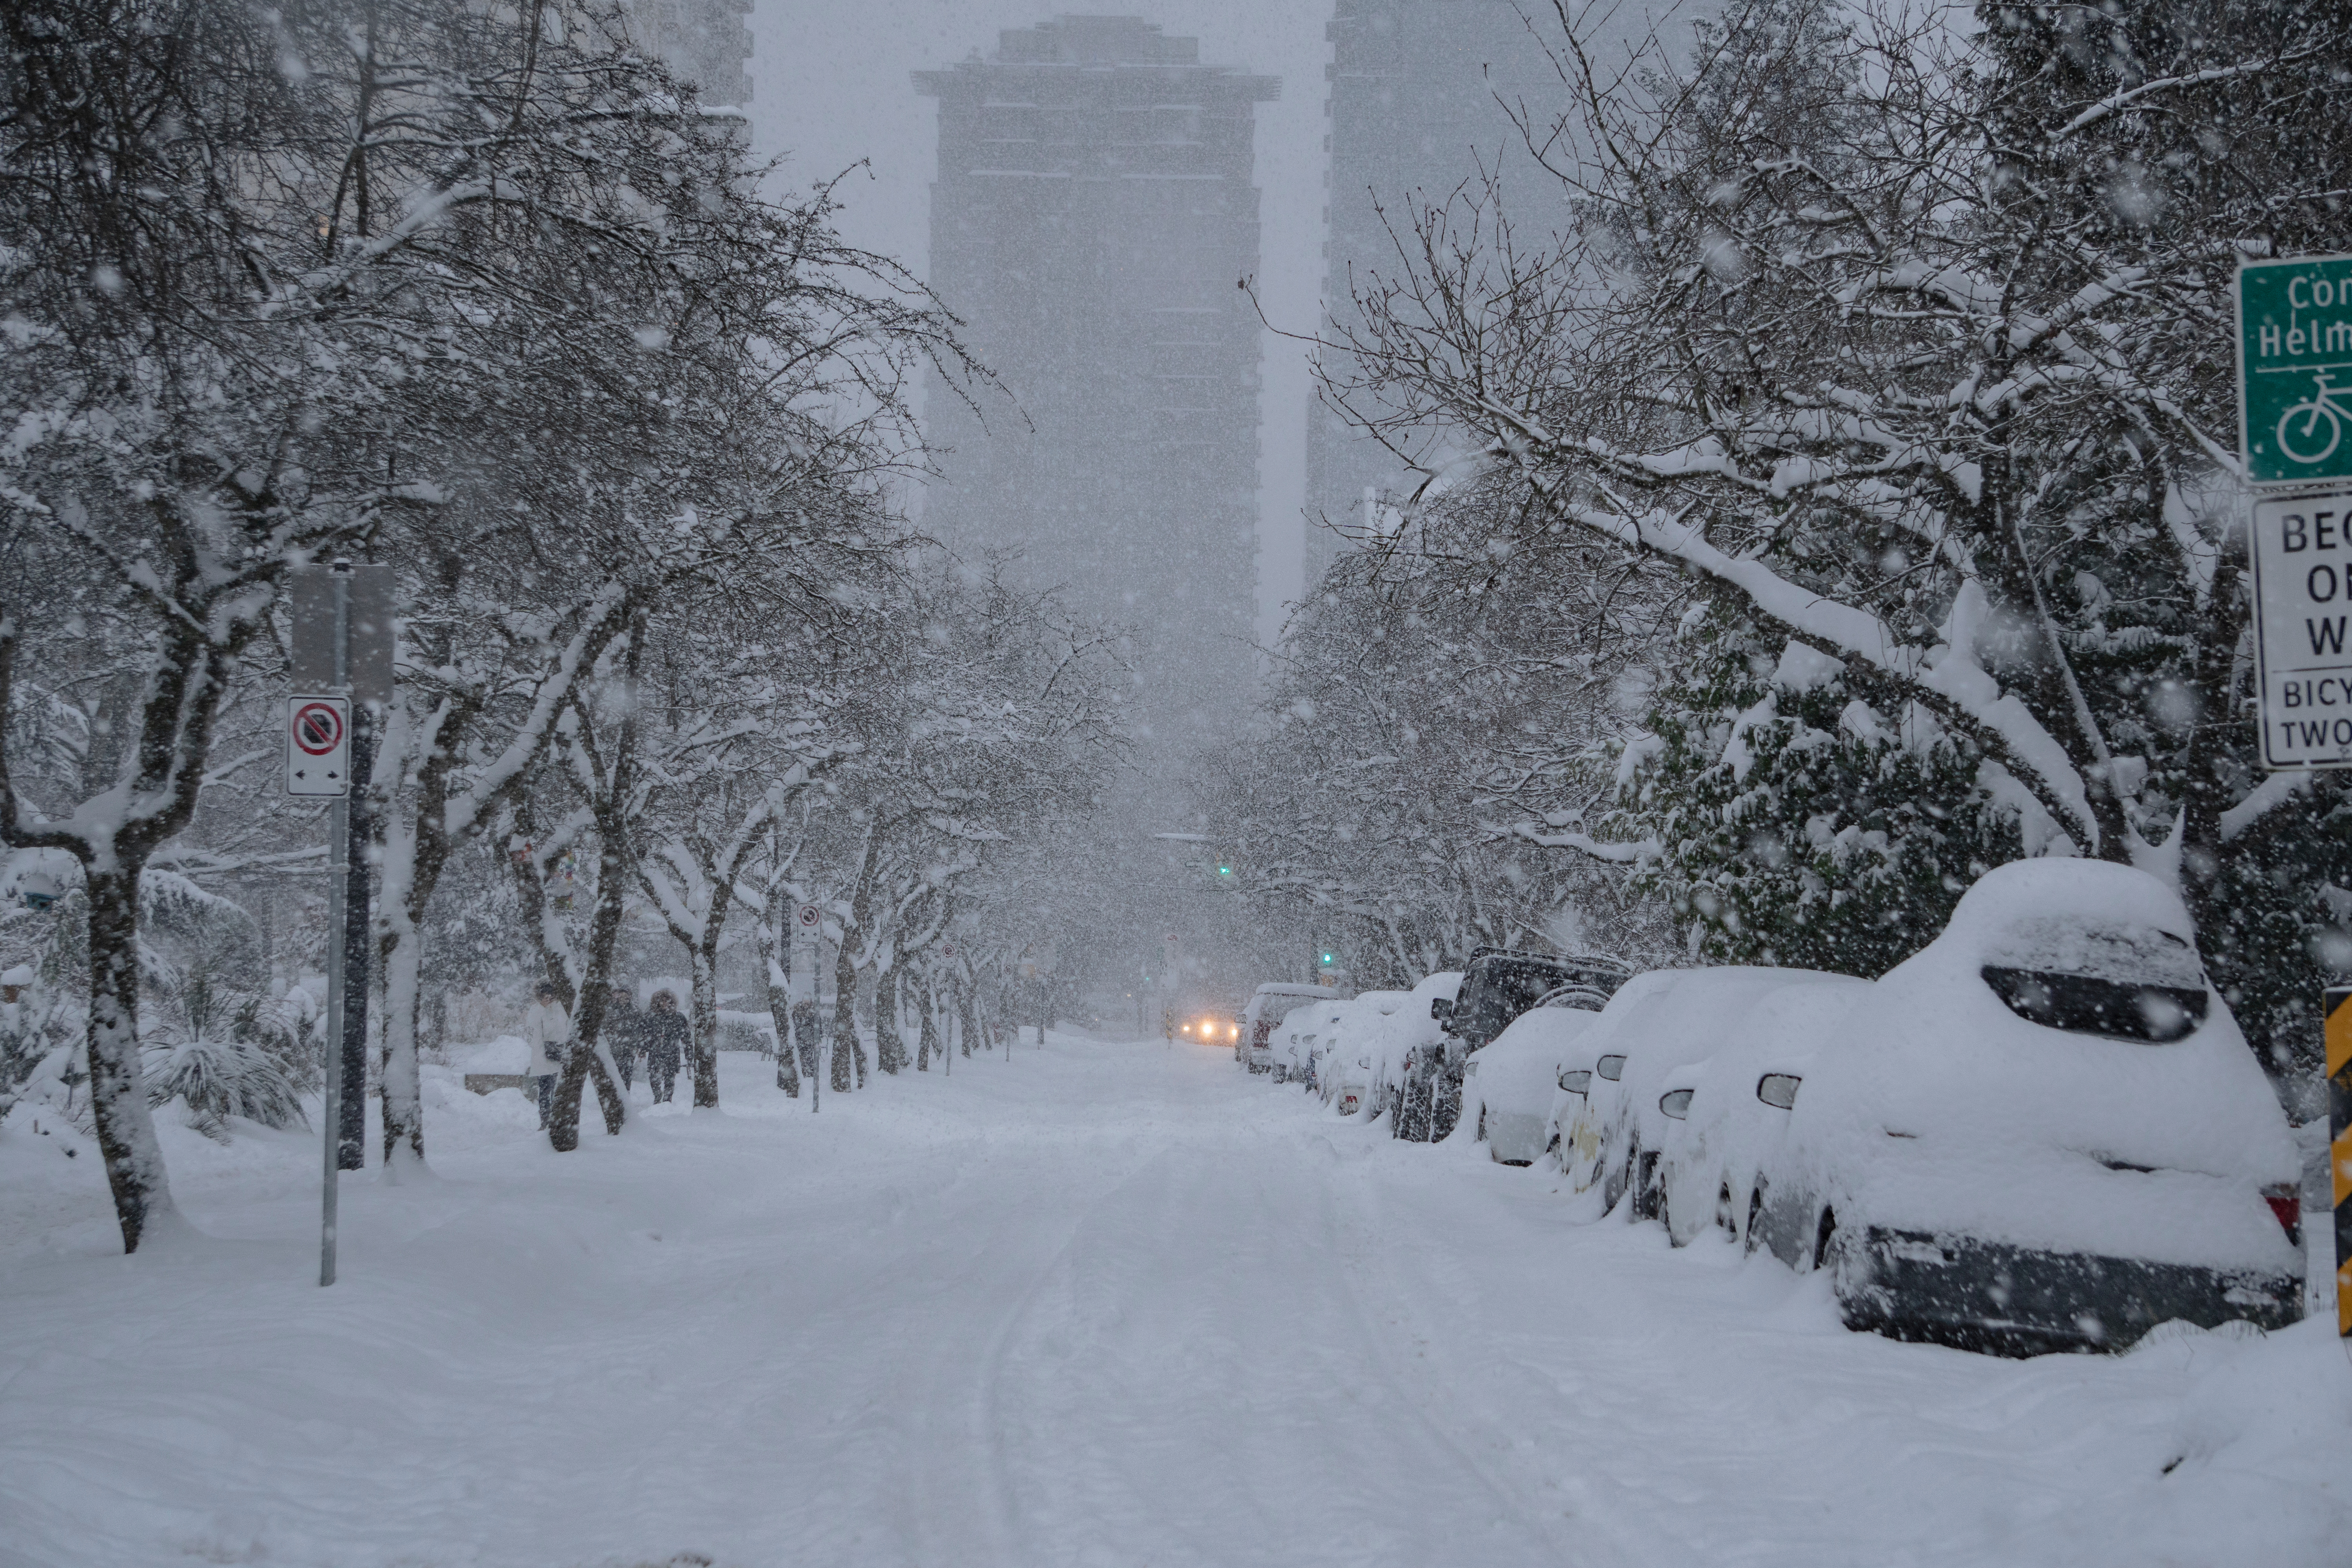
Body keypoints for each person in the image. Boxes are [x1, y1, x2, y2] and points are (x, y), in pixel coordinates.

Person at [522, 980, 571, 1130]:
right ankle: (545, 1122)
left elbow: (565, 1024)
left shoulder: (560, 1007)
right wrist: (543, 1007)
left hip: (558, 1053)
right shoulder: (536, 1009)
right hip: (542, 1056)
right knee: (544, 1091)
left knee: (557, 1091)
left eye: (550, 994)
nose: (548, 997)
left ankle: (557, 1121)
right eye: (544, 995)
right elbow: (531, 1023)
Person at [643, 989, 688, 1104]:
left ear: (671, 1002)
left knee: (670, 1079)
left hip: (672, 1053)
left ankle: (667, 1101)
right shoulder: (651, 1017)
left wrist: (689, 1053)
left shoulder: (678, 1017)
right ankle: (658, 1095)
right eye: (661, 1001)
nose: (664, 1003)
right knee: (654, 1078)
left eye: (666, 1000)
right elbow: (644, 1034)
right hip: (656, 1052)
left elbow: (686, 1037)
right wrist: (643, 1048)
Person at [607, 987, 643, 1091]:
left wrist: (637, 1043)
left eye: (626, 998)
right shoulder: (611, 1010)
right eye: (622, 997)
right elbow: (606, 1028)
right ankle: (615, 1094)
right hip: (615, 1047)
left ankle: (625, 1094)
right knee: (615, 1072)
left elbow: (640, 1028)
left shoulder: (635, 1010)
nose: (624, 1000)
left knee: (628, 1072)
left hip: (630, 1047)